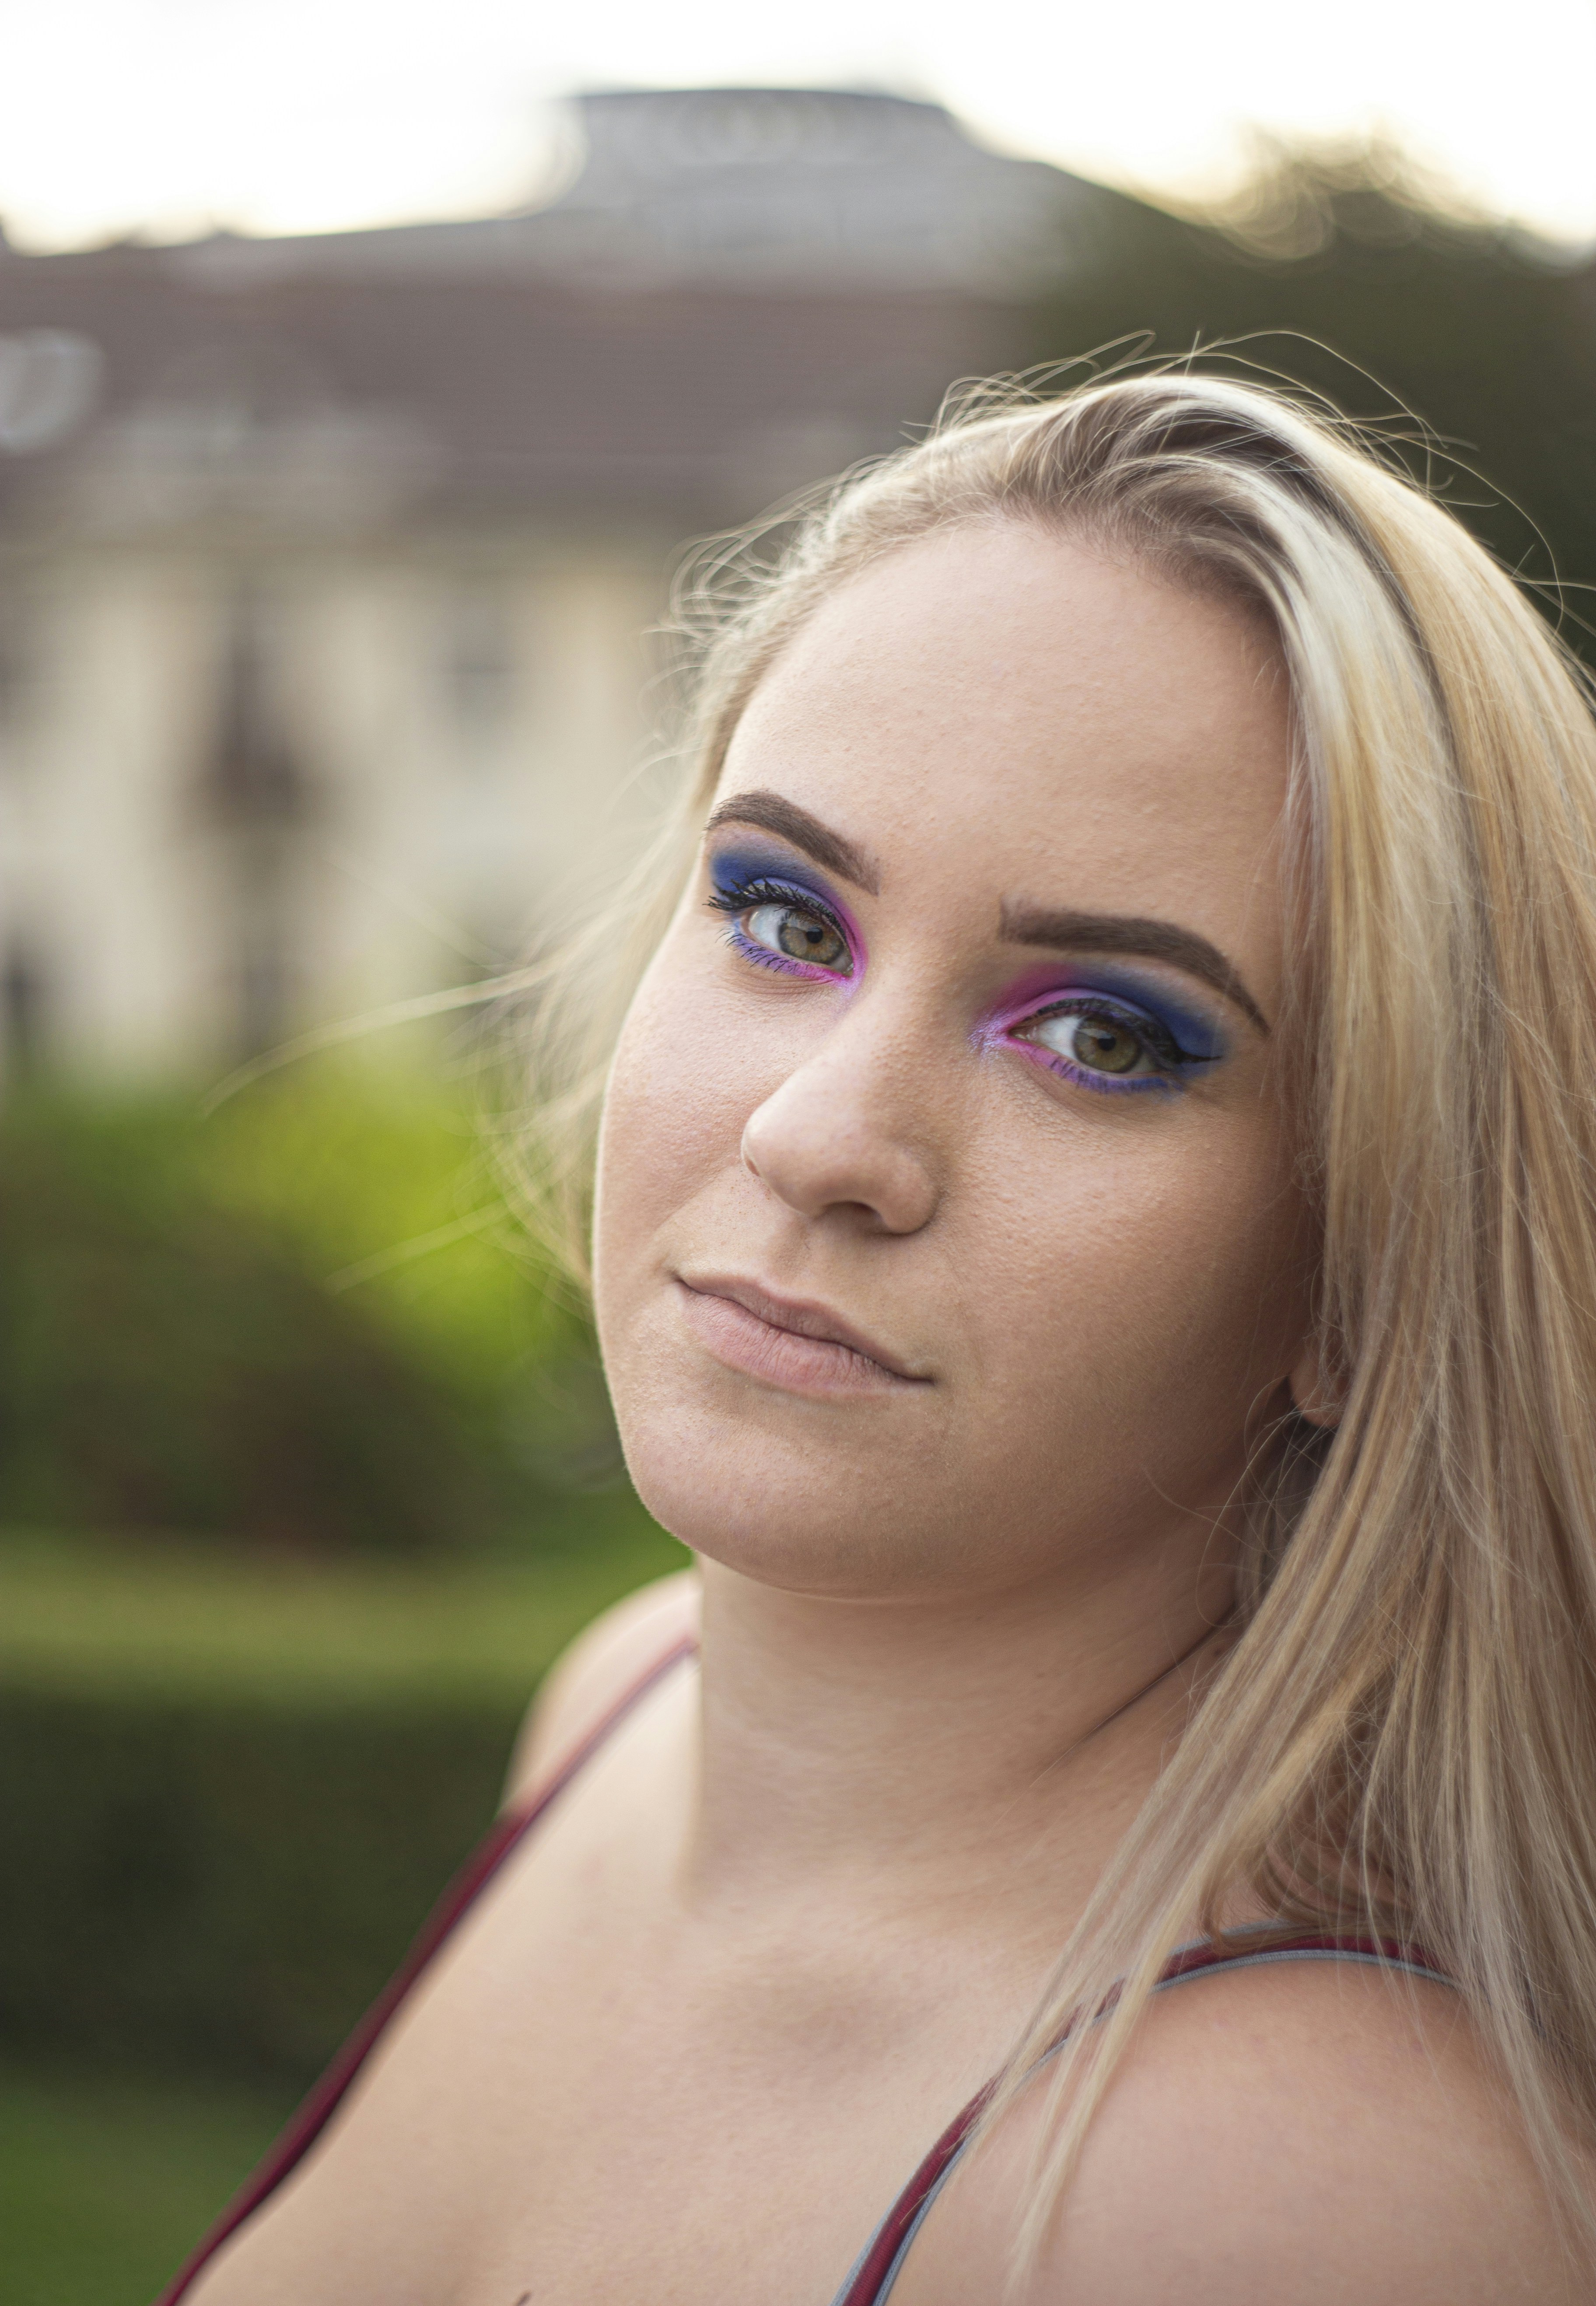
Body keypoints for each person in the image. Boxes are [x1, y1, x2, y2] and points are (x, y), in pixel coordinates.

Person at [163, 369, 1596, 2304]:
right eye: (779, 914)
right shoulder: (615, 1711)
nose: (822, 1134)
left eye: (1106, 1037)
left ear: (1364, 1281)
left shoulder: (1286, 2195)